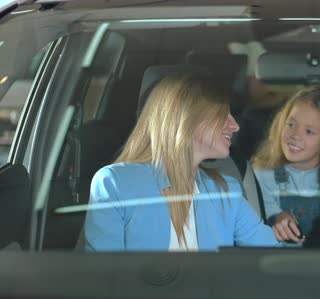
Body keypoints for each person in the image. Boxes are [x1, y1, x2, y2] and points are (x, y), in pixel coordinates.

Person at [84, 73, 280, 251]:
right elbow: (106, 276)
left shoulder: (226, 191)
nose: (235, 126)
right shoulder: (116, 183)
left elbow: (273, 254)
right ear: (187, 119)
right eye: (223, 115)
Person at [252, 85, 320, 247]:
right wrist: (276, 218)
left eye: (309, 131)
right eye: (291, 124)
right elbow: (260, 214)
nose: (294, 135)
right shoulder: (262, 175)